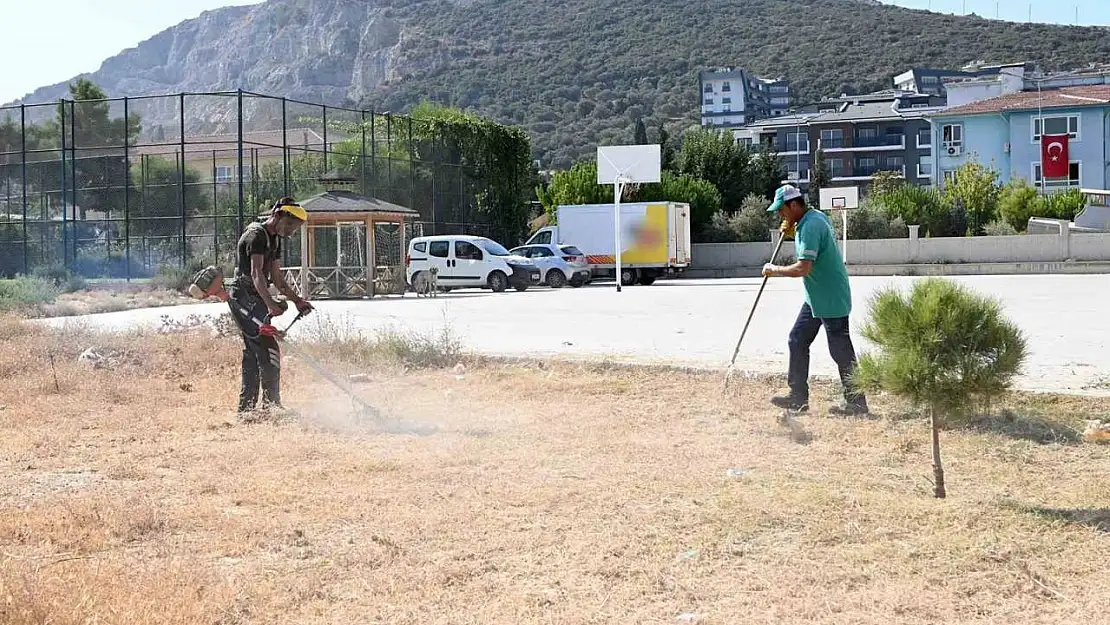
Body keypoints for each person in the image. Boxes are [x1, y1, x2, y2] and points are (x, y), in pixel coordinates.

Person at [760, 184, 868, 416]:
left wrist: (774, 269)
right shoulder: (812, 218)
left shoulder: (810, 225)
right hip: (816, 296)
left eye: (783, 210)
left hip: (830, 296)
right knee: (797, 339)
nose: (781, 215)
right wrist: (793, 228)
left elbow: (803, 268)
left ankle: (857, 403)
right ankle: (798, 397)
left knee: (840, 350)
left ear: (795, 204)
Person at [227, 197, 314, 415]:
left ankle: (246, 411)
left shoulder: (274, 239)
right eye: (290, 224)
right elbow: (256, 274)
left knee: (253, 354)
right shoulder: (256, 235)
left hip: (256, 300)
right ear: (277, 215)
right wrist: (271, 304)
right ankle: (271, 407)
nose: (292, 230)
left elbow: (277, 279)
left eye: (295, 226)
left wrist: (298, 301)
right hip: (243, 299)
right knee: (268, 351)